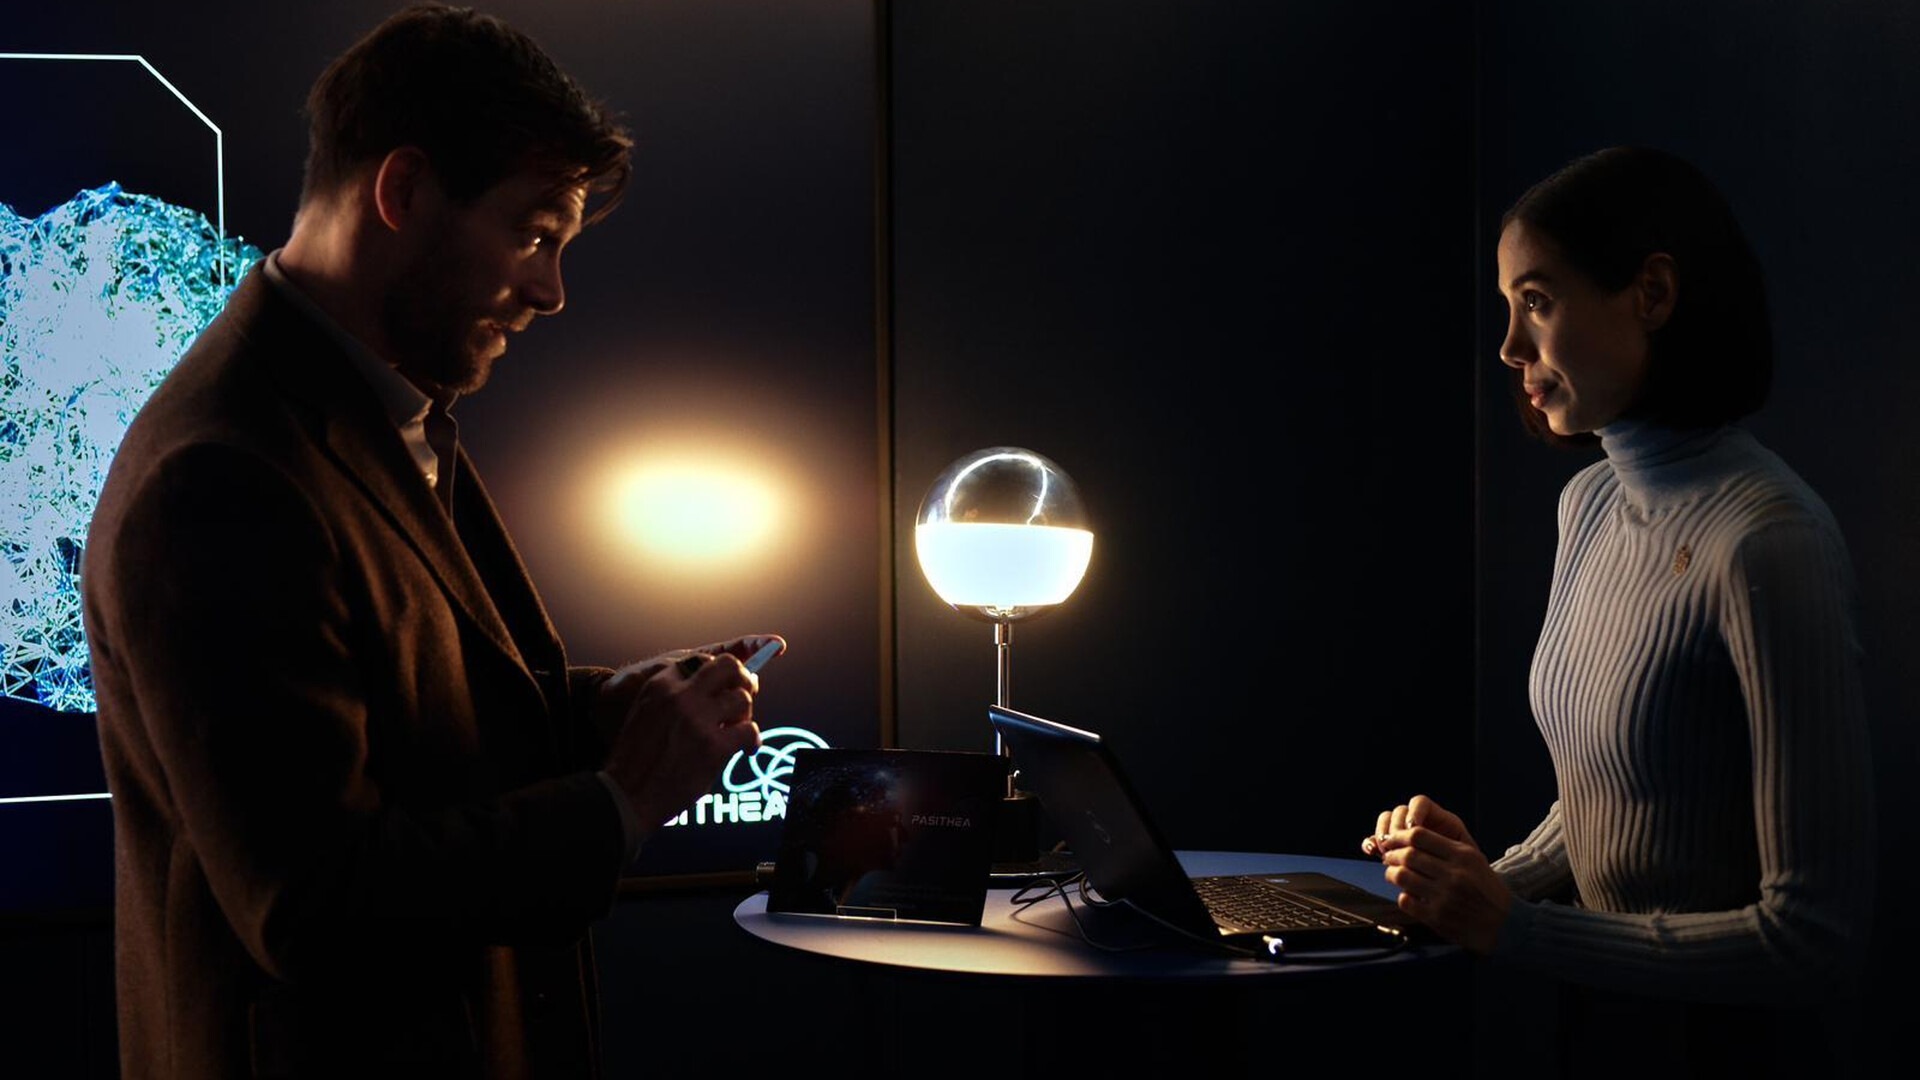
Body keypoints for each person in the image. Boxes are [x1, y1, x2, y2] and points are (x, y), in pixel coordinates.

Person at [82, 6, 775, 1077]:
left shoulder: (373, 409)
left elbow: (396, 709)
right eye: (534, 235)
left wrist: (598, 712)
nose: (550, 292)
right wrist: (623, 800)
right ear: (402, 191)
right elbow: (311, 903)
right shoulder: (221, 473)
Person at [1360, 148, 1872, 1060]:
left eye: (1537, 302)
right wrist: (1468, 884)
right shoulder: (1590, 502)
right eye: (1508, 307)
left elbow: (1812, 941)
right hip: (1597, 1027)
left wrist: (1514, 925)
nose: (1511, 347)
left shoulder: (1768, 541)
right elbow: (1622, 796)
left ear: (1653, 295)